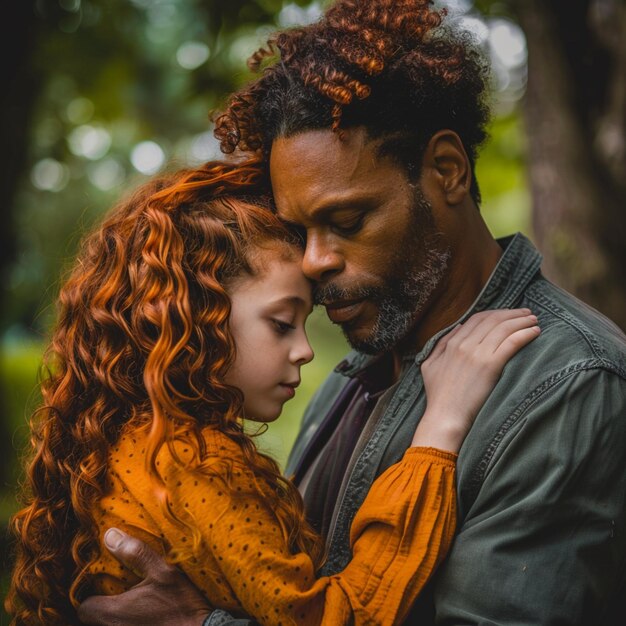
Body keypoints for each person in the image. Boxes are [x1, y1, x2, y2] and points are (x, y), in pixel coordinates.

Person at [76, 0, 626, 624]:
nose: (314, 261)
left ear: (445, 170)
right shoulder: (351, 377)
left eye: (345, 221)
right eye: (300, 230)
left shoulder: (567, 383)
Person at [5, 157, 540, 626]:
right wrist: (439, 429)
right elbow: (341, 617)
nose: (306, 351)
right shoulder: (191, 462)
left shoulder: (135, 443)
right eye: (282, 323)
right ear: (196, 321)